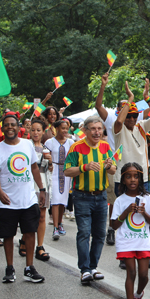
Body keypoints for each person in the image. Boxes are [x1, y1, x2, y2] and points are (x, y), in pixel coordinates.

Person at [94, 73, 150, 248]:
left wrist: (149, 97)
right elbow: (119, 119)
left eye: (134, 116)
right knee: (125, 212)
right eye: (129, 116)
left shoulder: (141, 126)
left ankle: (143, 247)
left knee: (143, 212)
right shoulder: (117, 129)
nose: (131, 119)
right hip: (121, 178)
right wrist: (131, 98)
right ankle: (125, 247)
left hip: (143, 177)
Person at [0, 114, 46, 283]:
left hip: (28, 199)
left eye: (13, 124)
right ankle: (9, 268)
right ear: (2, 128)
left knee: (30, 232)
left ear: (18, 126)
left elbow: (34, 168)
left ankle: (29, 268)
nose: (10, 127)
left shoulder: (27, 144)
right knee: (7, 235)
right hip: (6, 201)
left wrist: (41, 189)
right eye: (6, 125)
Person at [64, 115, 116, 284]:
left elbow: (113, 169)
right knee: (84, 233)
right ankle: (85, 269)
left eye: (99, 129)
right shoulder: (76, 147)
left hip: (101, 197)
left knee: (100, 234)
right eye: (93, 129)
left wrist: (110, 165)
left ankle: (93, 267)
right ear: (85, 130)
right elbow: (67, 171)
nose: (97, 132)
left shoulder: (106, 146)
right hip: (82, 196)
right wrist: (84, 167)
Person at [110, 162, 150, 299]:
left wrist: (144, 213)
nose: (132, 180)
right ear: (123, 180)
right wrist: (125, 212)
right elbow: (114, 225)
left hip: (142, 241)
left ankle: (137, 294)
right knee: (131, 272)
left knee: (144, 275)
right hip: (126, 242)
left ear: (140, 179)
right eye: (128, 177)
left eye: (136, 176)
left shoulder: (147, 198)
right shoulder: (120, 200)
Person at [44, 119, 74, 239]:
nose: (65, 130)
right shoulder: (49, 142)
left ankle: (60, 223)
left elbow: (73, 157)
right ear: (56, 128)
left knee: (63, 200)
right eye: (62, 128)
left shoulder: (71, 142)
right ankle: (55, 227)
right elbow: (45, 157)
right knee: (55, 199)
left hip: (66, 173)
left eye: (67, 128)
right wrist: (50, 163)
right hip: (54, 171)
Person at [29, 119, 52, 261]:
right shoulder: (26, 147)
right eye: (33, 130)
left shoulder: (46, 148)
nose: (36, 133)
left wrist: (49, 161)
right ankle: (26, 241)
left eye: (38, 130)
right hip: (30, 183)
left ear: (43, 132)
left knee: (42, 215)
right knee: (30, 215)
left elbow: (50, 169)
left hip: (44, 183)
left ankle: (40, 246)